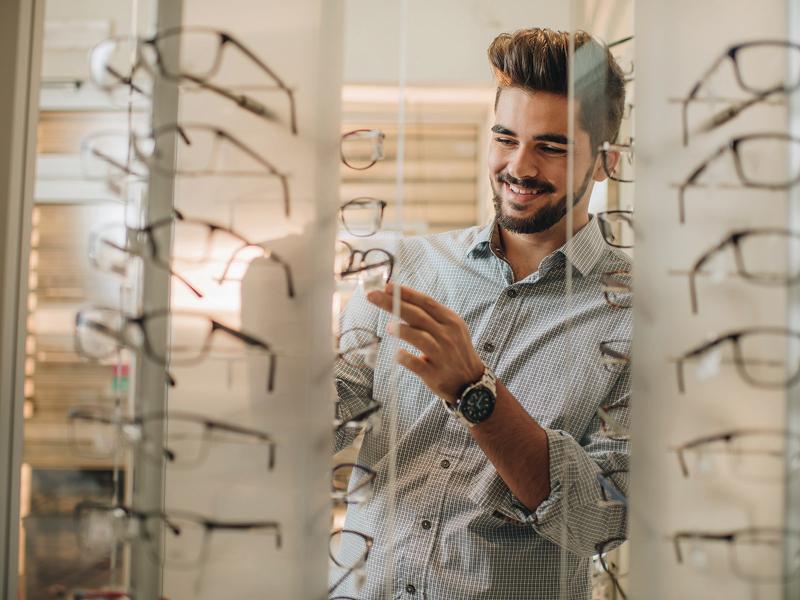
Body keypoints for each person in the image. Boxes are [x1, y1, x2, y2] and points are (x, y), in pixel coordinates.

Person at [334, 27, 630, 600]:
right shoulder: (408, 268)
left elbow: (600, 517)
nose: (518, 166)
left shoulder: (636, 315)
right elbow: (330, 416)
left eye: (552, 145)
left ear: (604, 163)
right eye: (504, 137)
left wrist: (476, 392)